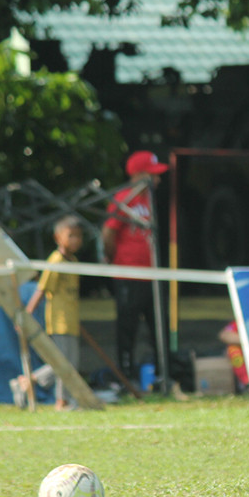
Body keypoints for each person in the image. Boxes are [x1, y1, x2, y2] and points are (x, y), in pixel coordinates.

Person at [102, 150, 167, 384]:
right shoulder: (124, 198)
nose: (158, 180)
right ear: (139, 175)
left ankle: (162, 373)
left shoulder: (149, 200)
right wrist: (114, 259)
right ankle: (126, 376)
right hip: (129, 273)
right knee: (128, 327)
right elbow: (108, 232)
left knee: (158, 325)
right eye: (153, 175)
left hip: (151, 274)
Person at [9, 215, 84, 411]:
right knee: (62, 364)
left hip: (71, 321)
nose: (75, 240)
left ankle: (26, 382)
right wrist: (27, 314)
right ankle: (61, 401)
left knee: (68, 364)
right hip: (59, 322)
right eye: (70, 236)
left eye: (78, 236)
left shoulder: (74, 262)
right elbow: (42, 289)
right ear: (58, 237)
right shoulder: (56, 261)